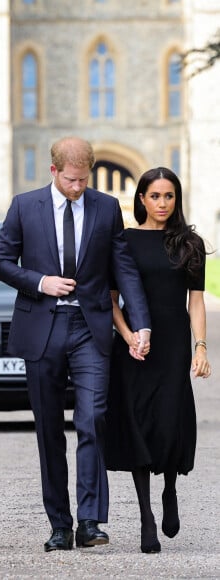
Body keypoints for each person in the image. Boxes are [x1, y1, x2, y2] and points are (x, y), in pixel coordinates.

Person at [0, 136, 151, 552]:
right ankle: (59, 525)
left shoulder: (106, 207)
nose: (78, 187)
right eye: (71, 179)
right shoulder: (25, 206)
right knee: (48, 430)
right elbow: (1, 263)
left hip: (90, 327)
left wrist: (141, 323)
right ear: (54, 171)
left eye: (84, 179)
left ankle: (91, 522)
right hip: (41, 326)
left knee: (93, 419)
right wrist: (41, 282)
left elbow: (124, 269)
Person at [105, 167, 211, 553]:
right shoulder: (124, 241)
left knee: (168, 420)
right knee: (137, 422)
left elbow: (196, 301)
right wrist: (129, 335)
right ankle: (146, 516)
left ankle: (169, 489)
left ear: (176, 200)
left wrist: (201, 346)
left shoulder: (190, 243)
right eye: (155, 196)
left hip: (172, 345)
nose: (162, 203)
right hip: (133, 344)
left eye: (169, 196)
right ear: (141, 199)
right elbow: (112, 300)